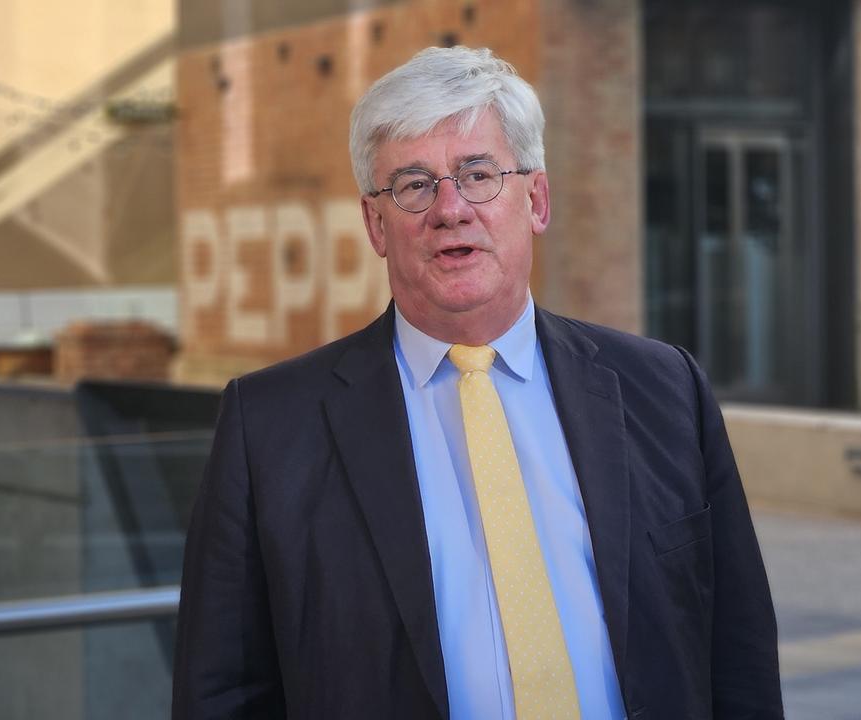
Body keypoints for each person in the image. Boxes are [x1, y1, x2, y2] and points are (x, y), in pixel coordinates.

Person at [173, 46, 782, 720]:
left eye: (478, 174)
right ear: (377, 224)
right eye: (413, 183)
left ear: (538, 199)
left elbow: (740, 656)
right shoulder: (269, 427)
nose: (450, 209)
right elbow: (221, 693)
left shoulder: (665, 390)